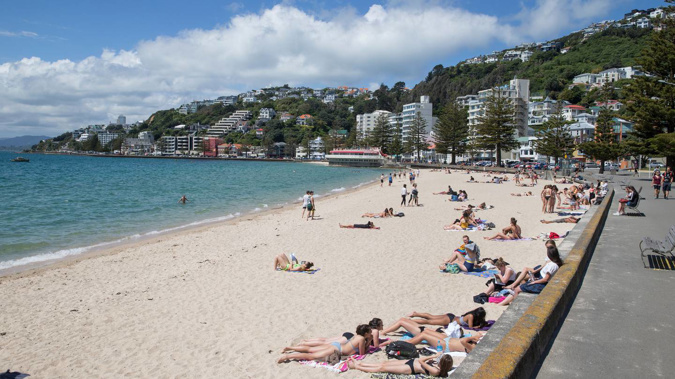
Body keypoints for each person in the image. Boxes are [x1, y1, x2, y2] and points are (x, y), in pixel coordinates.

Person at [278, 325, 371, 363]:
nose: (371, 333)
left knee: (310, 350)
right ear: (366, 333)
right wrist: (369, 342)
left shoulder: (357, 336)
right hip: (337, 349)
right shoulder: (362, 339)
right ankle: (287, 357)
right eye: (370, 332)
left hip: (336, 346)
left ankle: (289, 348)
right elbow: (362, 353)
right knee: (312, 356)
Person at [347, 353, 453, 377]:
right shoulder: (440, 366)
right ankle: (362, 363)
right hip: (411, 361)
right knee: (384, 363)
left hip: (410, 368)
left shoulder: (436, 371)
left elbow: (421, 361)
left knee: (382, 368)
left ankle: (357, 366)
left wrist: (433, 356)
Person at [384, 307, 487, 331]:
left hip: (451, 316)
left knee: (431, 316)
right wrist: (478, 326)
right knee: (430, 321)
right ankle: (411, 321)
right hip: (450, 320)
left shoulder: (471, 314)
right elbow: (470, 327)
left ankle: (416, 313)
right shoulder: (471, 317)